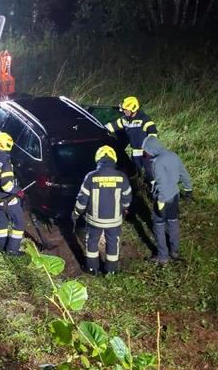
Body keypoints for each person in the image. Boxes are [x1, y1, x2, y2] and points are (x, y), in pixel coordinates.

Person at [72, 145, 132, 275]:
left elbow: (82, 200)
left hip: (94, 221)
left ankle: (92, 269)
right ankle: (111, 271)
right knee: (113, 243)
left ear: (98, 159)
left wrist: (76, 213)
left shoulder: (91, 177)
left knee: (92, 243)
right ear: (113, 158)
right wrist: (124, 209)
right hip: (114, 221)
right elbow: (127, 199)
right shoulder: (122, 177)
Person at [142, 135, 193, 266]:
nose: (146, 154)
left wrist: (160, 200)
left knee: (158, 226)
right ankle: (175, 252)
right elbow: (184, 174)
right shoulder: (173, 155)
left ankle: (163, 256)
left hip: (163, 198)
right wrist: (188, 189)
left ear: (151, 149)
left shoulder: (157, 162)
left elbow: (161, 183)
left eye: (146, 151)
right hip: (175, 195)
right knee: (173, 222)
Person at [105, 96, 157, 179]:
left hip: (146, 152)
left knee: (150, 174)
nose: (125, 112)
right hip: (135, 152)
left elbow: (153, 134)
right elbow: (113, 126)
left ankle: (154, 189)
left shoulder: (145, 120)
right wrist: (101, 128)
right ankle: (140, 188)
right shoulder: (124, 120)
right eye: (124, 110)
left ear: (133, 108)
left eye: (126, 110)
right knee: (136, 174)